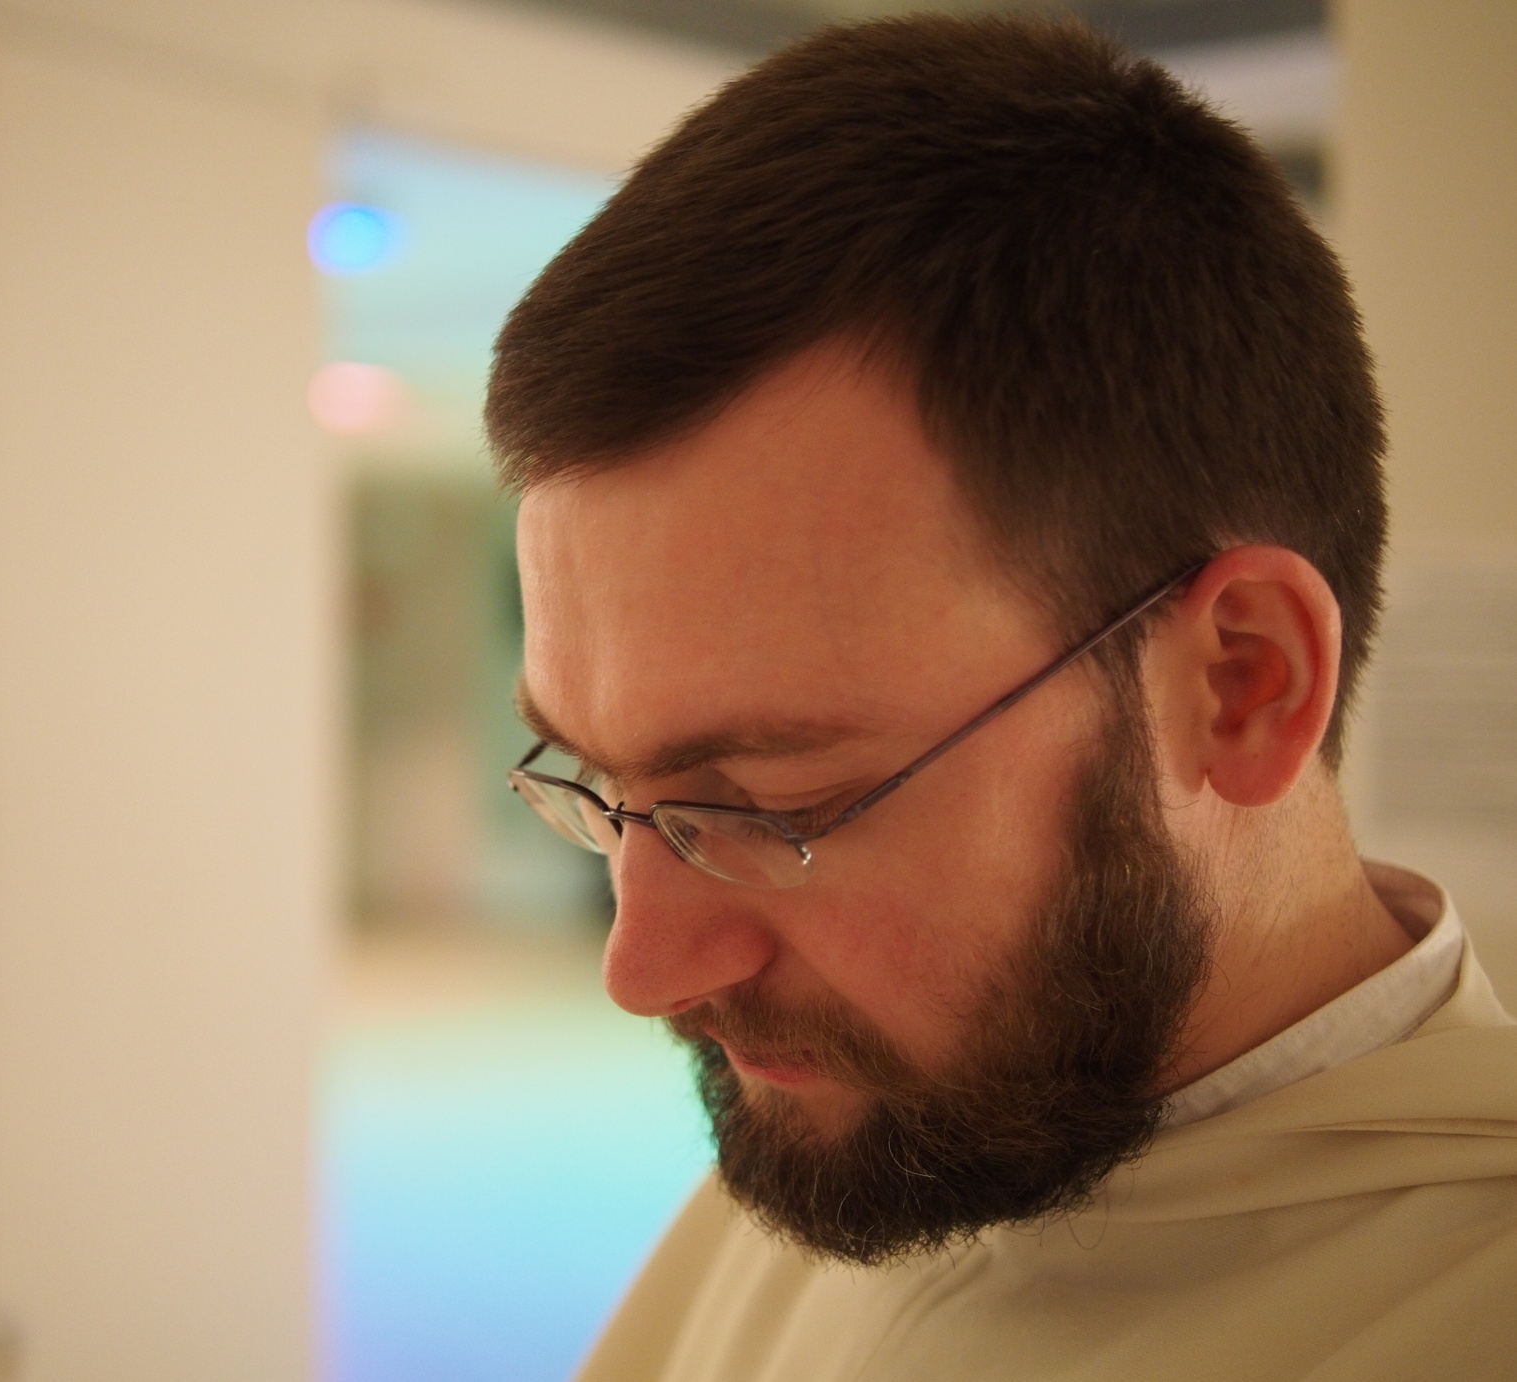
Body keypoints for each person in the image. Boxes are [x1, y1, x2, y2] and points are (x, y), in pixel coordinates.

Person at [484, 14, 1517, 1382]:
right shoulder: (870, 1130)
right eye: (601, 786)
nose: (642, 971)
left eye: (770, 803)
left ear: (1245, 684)